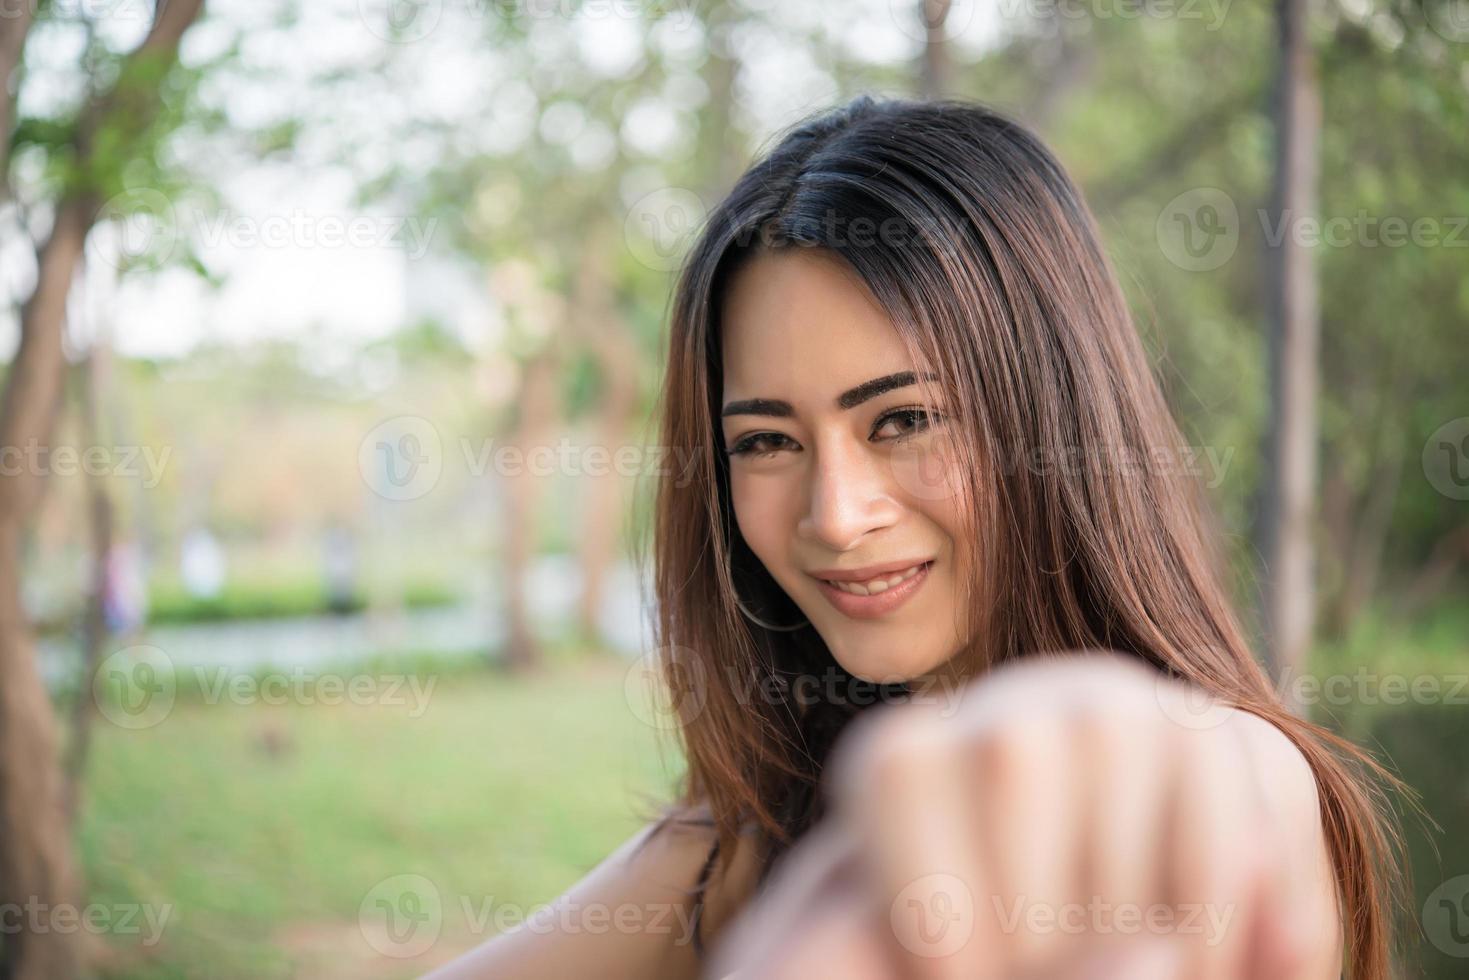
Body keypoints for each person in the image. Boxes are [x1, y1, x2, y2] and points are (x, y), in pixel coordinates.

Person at [426, 96, 1406, 980]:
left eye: (902, 419)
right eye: (766, 440)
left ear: (1050, 410)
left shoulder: (1213, 775)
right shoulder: (749, 843)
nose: (835, 516)